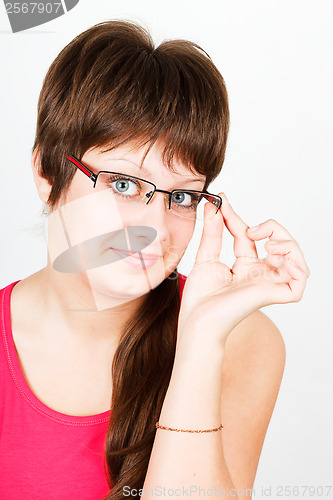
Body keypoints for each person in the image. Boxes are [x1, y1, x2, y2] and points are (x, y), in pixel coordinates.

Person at [0, 19, 310, 500]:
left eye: (182, 198)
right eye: (124, 185)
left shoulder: (242, 340)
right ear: (47, 171)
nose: (157, 230)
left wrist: (201, 340)